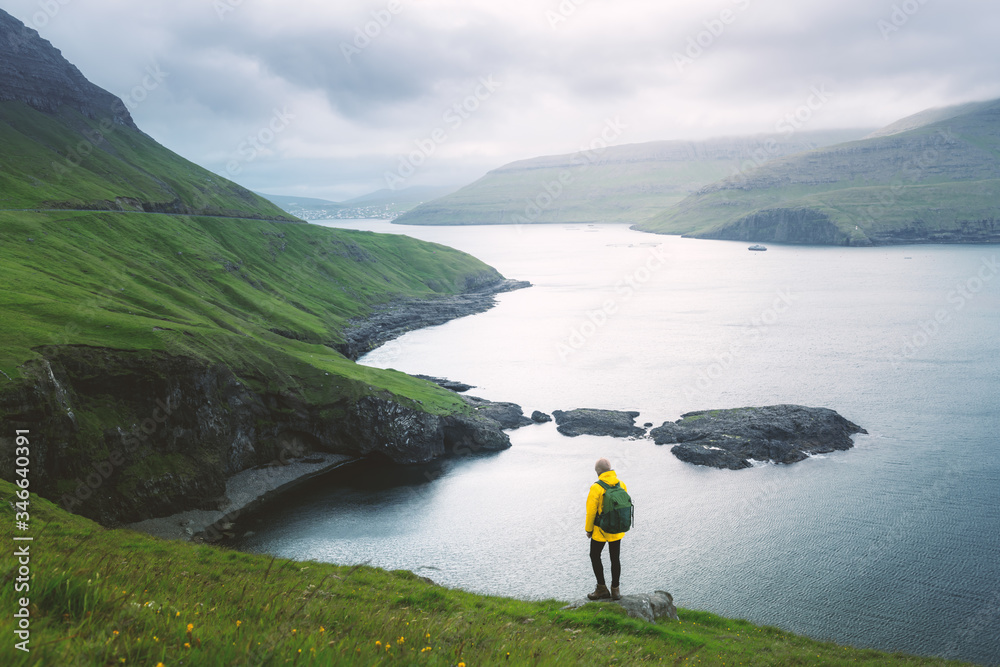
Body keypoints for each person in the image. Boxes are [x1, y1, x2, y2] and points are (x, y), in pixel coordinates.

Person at [585, 457, 626, 600]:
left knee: (594, 555)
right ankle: (616, 590)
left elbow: (591, 511)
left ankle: (601, 588)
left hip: (600, 530)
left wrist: (589, 530)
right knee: (615, 559)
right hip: (617, 529)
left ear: (598, 471)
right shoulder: (621, 484)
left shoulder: (596, 487)